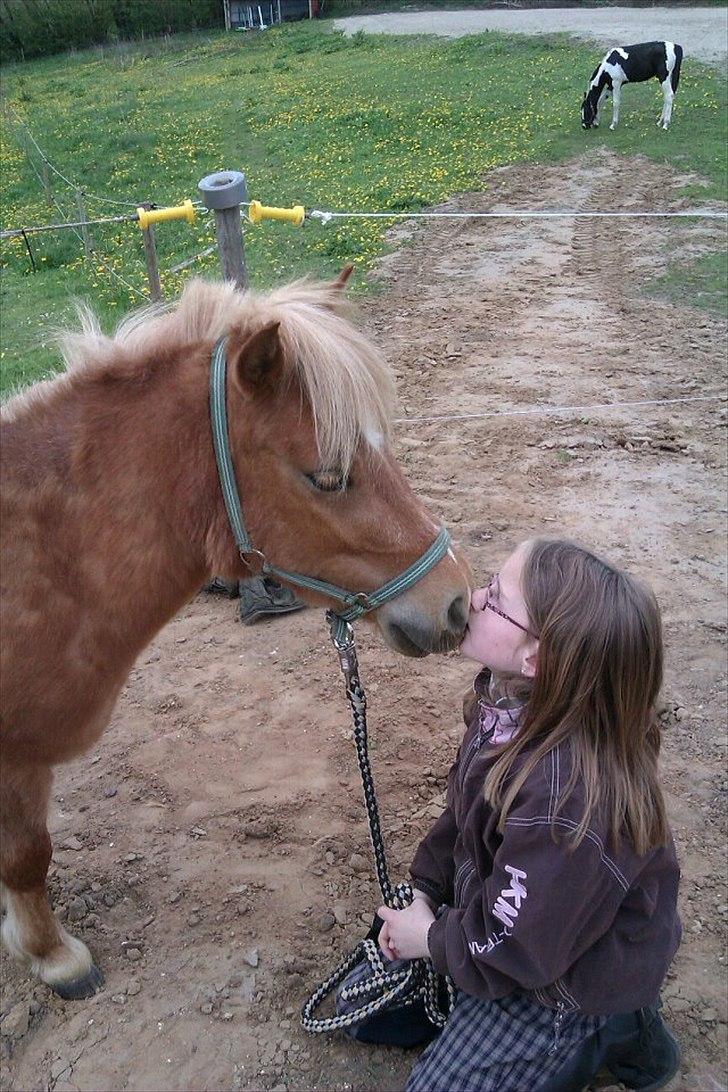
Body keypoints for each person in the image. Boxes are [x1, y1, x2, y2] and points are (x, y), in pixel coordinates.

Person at [358, 538, 682, 1091]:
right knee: (369, 1006)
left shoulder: (565, 803)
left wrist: (433, 941)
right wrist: (427, 892)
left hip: (549, 978)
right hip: (518, 918)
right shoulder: (508, 703)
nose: (476, 599)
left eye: (495, 595)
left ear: (538, 657)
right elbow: (461, 818)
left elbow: (514, 947)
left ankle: (610, 1025)